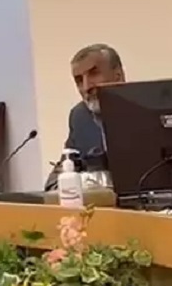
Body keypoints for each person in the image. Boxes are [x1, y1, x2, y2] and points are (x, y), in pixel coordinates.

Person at [45, 43, 125, 189]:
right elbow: (58, 177)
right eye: (79, 80)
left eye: (94, 74)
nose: (87, 87)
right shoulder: (80, 116)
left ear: (118, 76)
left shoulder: (147, 111)